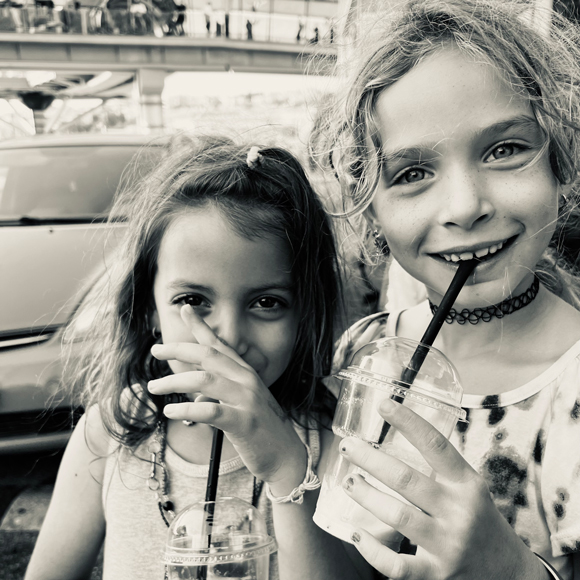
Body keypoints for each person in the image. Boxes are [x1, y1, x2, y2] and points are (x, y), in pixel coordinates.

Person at [310, 0, 580, 579]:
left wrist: (509, 570)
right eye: (411, 173)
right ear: (371, 206)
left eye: (505, 149)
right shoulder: (363, 353)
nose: (463, 207)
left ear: (561, 158)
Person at [24, 137, 371, 580]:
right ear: (148, 309)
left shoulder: (332, 440)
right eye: (193, 300)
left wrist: (287, 468)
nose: (226, 340)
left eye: (266, 302)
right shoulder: (109, 431)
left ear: (306, 312)